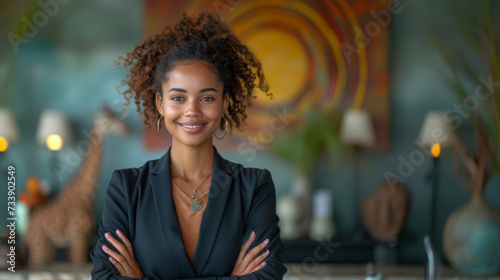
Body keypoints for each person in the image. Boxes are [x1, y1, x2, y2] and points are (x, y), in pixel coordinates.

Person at [90, 11, 287, 280]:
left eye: (206, 98)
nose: (192, 111)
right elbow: (104, 277)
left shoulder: (253, 187)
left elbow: (268, 277)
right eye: (178, 98)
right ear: (161, 104)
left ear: (224, 103)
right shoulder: (127, 188)